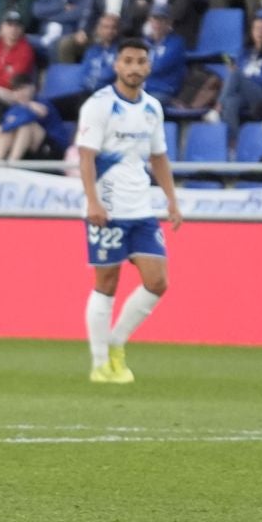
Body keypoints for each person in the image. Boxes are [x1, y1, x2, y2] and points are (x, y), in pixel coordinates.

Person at [76, 37, 181, 385]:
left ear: (148, 67)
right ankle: (99, 363)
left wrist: (171, 199)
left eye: (140, 61)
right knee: (106, 284)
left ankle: (117, 343)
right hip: (107, 207)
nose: (135, 67)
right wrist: (92, 200)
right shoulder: (100, 105)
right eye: (128, 61)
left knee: (157, 281)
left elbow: (158, 156)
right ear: (117, 65)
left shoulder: (152, 108)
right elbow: (86, 156)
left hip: (140, 208)